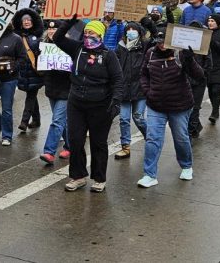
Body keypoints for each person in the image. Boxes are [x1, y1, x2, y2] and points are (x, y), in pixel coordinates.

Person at [51, 18, 123, 193]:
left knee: (98, 143)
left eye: (92, 33)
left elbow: (118, 80)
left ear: (100, 35)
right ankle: (78, 176)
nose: (88, 35)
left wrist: (116, 101)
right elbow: (58, 38)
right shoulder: (78, 48)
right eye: (86, 32)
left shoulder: (108, 55)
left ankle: (99, 178)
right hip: (76, 102)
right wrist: (70, 22)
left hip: (100, 105)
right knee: (75, 140)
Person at [137, 41, 202, 187]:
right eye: (160, 41)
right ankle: (149, 174)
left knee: (180, 138)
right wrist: (148, 92)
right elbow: (143, 75)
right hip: (156, 105)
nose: (163, 44)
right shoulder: (151, 53)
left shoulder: (180, 53)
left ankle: (186, 166)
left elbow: (199, 75)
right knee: (152, 139)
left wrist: (190, 59)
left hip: (179, 106)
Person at [0, 9, 36, 145]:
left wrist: (12, 67)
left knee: (7, 108)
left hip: (8, 79)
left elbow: (23, 58)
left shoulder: (16, 39)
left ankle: (7, 136)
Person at [113, 21, 148, 160]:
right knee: (124, 119)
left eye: (134, 29)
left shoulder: (144, 46)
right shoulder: (120, 47)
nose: (131, 31)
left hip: (139, 90)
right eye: (129, 29)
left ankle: (150, 138)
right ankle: (125, 147)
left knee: (138, 117)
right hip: (124, 90)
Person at [39, 21, 71, 165]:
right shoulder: (44, 46)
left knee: (57, 121)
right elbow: (40, 70)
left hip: (66, 90)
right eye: (50, 28)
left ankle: (49, 152)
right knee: (62, 121)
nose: (51, 31)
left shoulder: (69, 45)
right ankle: (71, 146)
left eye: (55, 28)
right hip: (51, 90)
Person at [14, 10, 44, 132]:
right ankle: (36, 120)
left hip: (35, 72)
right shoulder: (17, 37)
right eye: (24, 20)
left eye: (29, 20)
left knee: (31, 95)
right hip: (23, 72)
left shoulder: (38, 37)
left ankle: (24, 122)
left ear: (33, 22)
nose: (26, 22)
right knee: (31, 94)